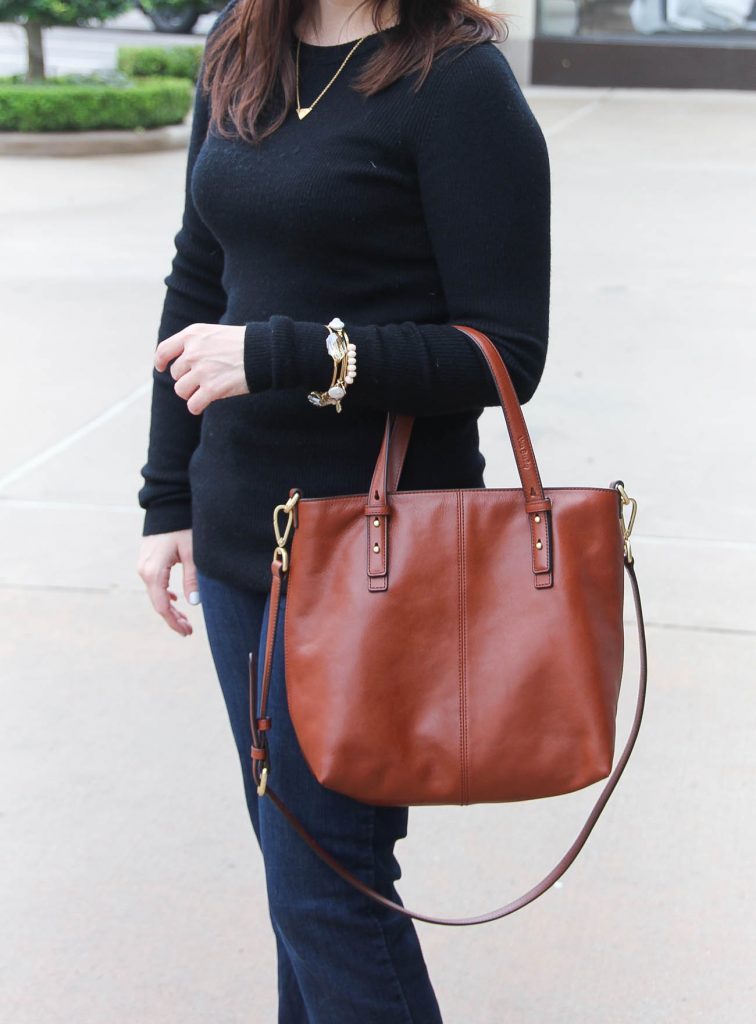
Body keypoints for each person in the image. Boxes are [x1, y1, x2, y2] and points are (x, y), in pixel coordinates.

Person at [136, 0, 550, 1019]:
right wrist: (165, 495)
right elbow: (199, 274)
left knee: (333, 888)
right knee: (302, 883)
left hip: (376, 552)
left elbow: (505, 352)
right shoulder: (243, 44)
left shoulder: (456, 81)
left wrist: (287, 351)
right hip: (243, 539)